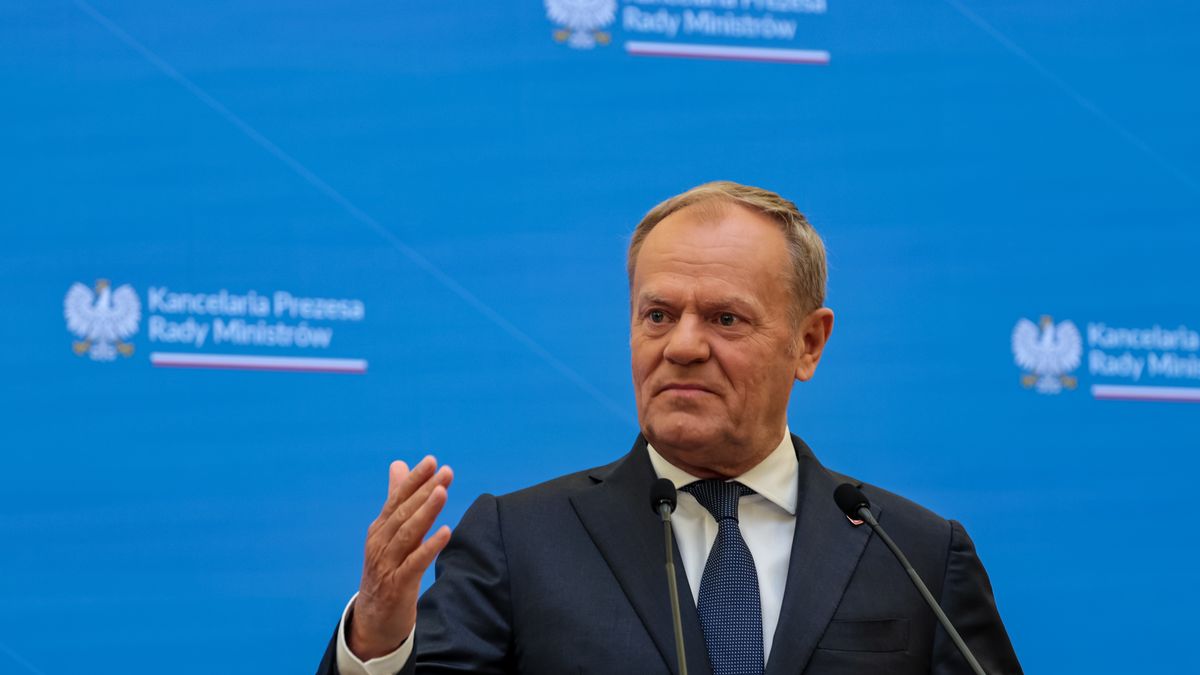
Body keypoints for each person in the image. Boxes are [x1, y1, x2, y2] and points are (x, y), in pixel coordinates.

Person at [316, 181, 1023, 675]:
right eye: (658, 314)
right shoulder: (520, 541)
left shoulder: (917, 553)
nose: (682, 345)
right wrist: (377, 637)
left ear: (809, 343)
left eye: (725, 318)